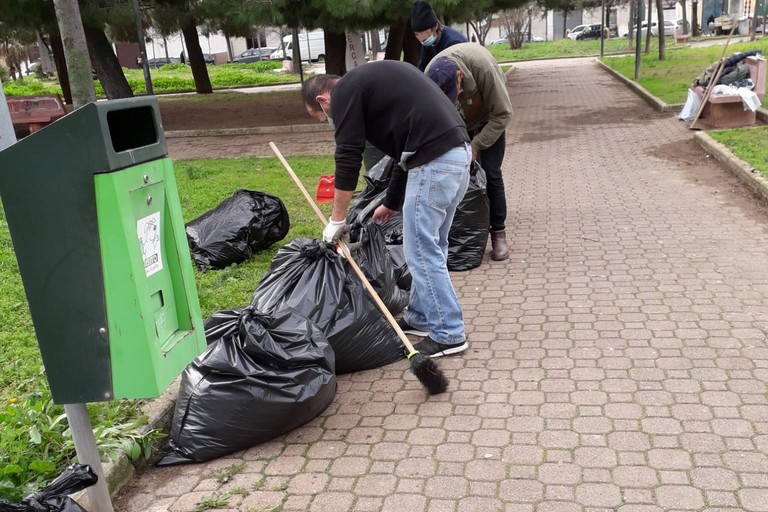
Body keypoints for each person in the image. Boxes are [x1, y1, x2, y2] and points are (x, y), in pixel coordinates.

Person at [301, 61, 472, 358]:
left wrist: (337, 219)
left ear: (323, 100)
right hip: (456, 155)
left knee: (421, 252)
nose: (327, 121)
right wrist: (390, 202)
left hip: (434, 163)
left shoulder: (344, 92)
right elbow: (401, 155)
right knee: (431, 246)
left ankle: (449, 333)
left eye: (321, 117)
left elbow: (348, 156)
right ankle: (420, 316)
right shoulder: (369, 87)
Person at [425, 43, 513, 261]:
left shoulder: (484, 69)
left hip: (488, 118)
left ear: (460, 76)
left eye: (454, 93)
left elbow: (502, 114)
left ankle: (498, 234)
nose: (454, 99)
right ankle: (459, 233)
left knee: (491, 173)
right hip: (456, 123)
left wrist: (475, 146)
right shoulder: (429, 76)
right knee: (452, 174)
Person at [411, 0, 467, 71]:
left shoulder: (453, 42)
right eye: (417, 34)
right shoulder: (427, 43)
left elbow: (453, 74)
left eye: (427, 32)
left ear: (436, 26)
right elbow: (422, 68)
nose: (422, 38)